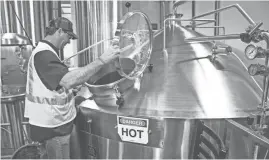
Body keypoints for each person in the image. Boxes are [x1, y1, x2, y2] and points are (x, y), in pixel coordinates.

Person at [24, 17, 119, 159]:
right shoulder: (43, 54)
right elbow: (68, 80)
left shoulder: (48, 52)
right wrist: (102, 60)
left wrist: (68, 91)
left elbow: (55, 85)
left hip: (56, 123)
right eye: (68, 36)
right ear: (59, 31)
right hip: (53, 127)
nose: (69, 41)